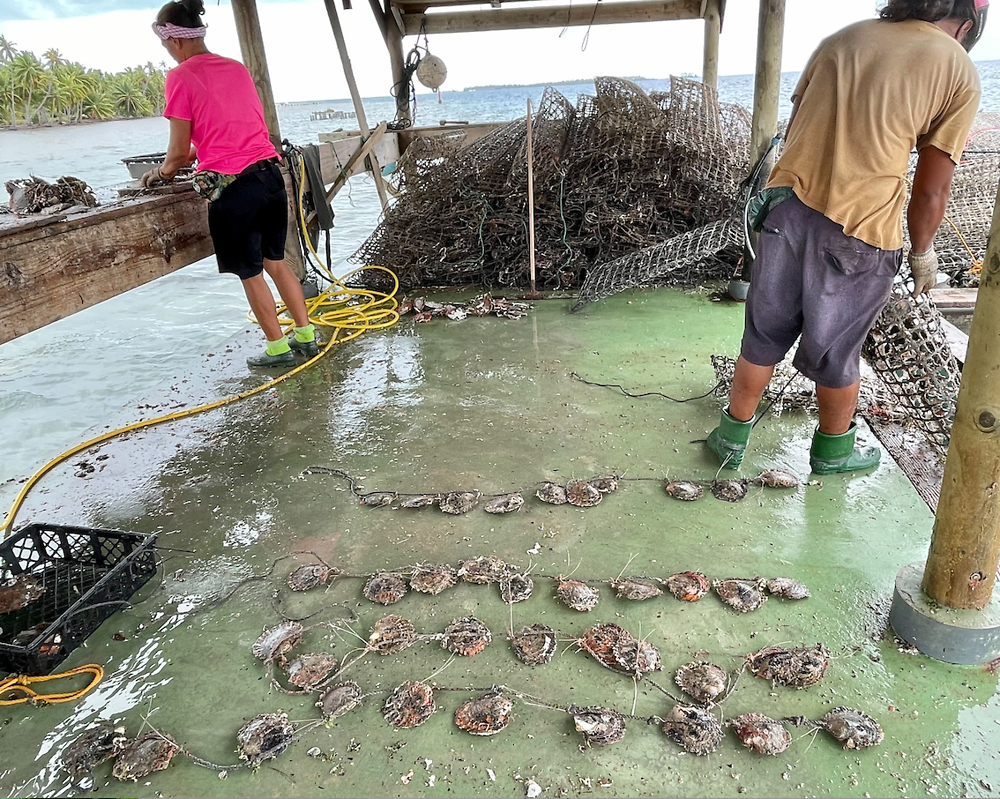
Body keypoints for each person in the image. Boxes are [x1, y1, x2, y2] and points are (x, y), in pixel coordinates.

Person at [707, 0, 984, 476]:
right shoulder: (956, 67)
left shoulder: (841, 39)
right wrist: (922, 251)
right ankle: (833, 451)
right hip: (860, 232)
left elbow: (795, 134)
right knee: (838, 352)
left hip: (786, 213)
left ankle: (731, 436)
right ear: (966, 22)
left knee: (763, 334)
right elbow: (932, 186)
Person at [141, 0, 319, 368]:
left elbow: (174, 156)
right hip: (271, 177)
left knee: (250, 272)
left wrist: (160, 173)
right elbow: (233, 124)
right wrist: (196, 150)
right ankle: (306, 337)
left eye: (165, 47)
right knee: (276, 262)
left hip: (234, 190)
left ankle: (278, 350)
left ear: (173, 41)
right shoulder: (236, 68)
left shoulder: (179, 76)